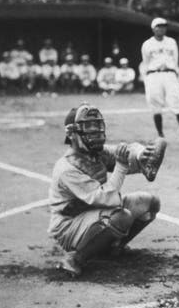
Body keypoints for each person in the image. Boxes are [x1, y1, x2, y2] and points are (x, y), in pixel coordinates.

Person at [48, 103, 167, 277]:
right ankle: (75, 259)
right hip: (69, 225)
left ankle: (112, 247)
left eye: (96, 125)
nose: (95, 131)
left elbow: (126, 152)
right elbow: (107, 197)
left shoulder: (95, 153)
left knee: (151, 203)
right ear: (73, 134)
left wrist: (143, 155)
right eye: (88, 127)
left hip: (93, 212)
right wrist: (120, 165)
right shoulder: (67, 168)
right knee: (121, 216)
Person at [141, 17, 179, 144]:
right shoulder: (147, 44)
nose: (161, 28)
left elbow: (175, 59)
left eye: (164, 26)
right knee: (155, 104)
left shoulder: (171, 42)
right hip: (154, 75)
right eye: (158, 26)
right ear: (153, 28)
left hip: (169, 74)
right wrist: (146, 77)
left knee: (176, 102)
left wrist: (174, 71)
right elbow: (146, 62)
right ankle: (160, 135)